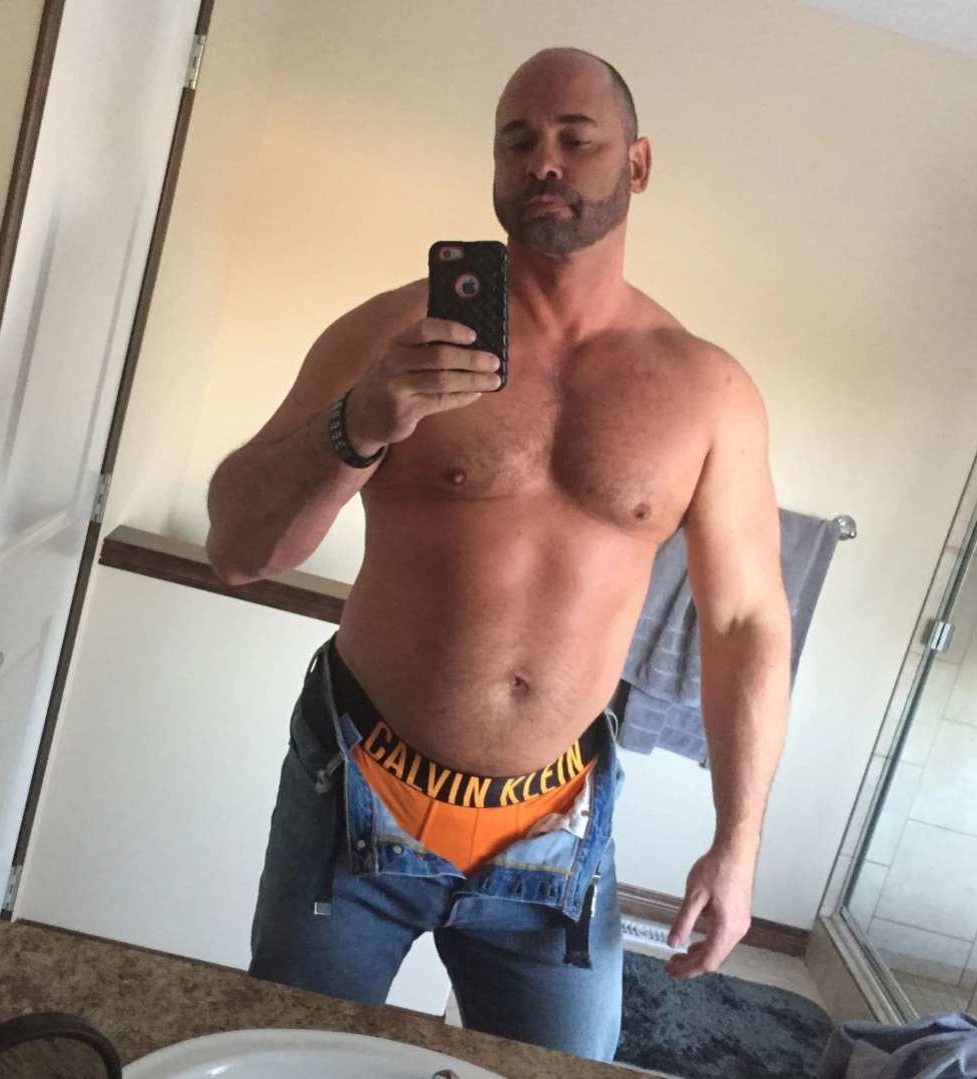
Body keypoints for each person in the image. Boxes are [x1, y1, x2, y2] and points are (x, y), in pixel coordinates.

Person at [206, 46, 791, 1062]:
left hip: (555, 831)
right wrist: (361, 420)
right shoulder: (393, 335)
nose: (543, 162)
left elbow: (745, 621)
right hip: (357, 791)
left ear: (637, 164)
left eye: (575, 139)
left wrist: (737, 843)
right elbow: (237, 548)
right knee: (290, 1061)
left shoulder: (708, 390)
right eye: (517, 141)